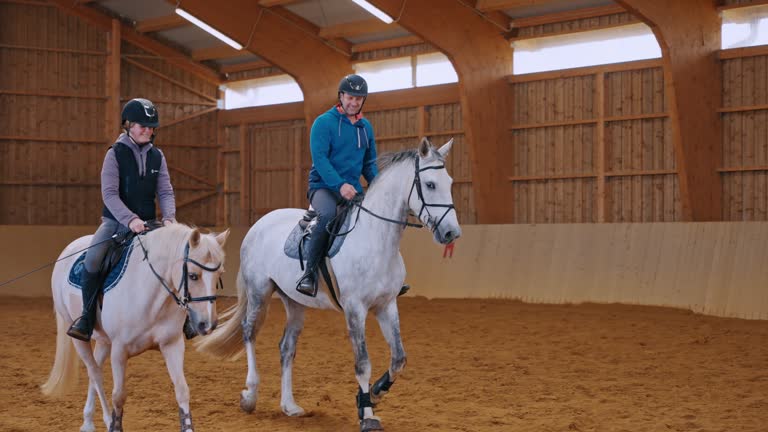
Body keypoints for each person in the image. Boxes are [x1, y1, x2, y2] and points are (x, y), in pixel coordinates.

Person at [67, 98, 177, 342]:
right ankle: (86, 318)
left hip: (151, 224)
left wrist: (169, 218)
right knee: (94, 260)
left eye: (151, 127)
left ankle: (185, 317)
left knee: (179, 258)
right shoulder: (114, 154)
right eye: (142, 126)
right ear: (128, 125)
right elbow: (109, 194)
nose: (147, 130)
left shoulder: (158, 156)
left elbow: (166, 191)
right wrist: (130, 220)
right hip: (116, 222)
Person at [297, 74, 378, 296]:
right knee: (328, 215)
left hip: (352, 190)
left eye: (359, 99)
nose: (354, 103)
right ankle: (309, 274)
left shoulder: (365, 128)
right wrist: (340, 185)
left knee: (376, 220)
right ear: (341, 96)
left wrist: (378, 186)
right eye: (350, 97)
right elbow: (321, 161)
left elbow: (369, 163)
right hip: (323, 187)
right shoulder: (323, 123)